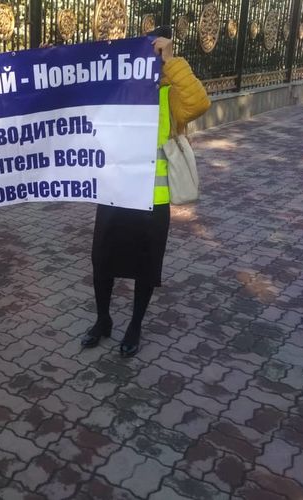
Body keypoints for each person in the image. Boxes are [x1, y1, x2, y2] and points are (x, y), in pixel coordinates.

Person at [80, 27, 211, 357]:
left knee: (145, 267)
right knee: (102, 262)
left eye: (153, 50)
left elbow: (198, 103)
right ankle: (103, 320)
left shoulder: (169, 93)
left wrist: (172, 62)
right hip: (114, 193)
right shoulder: (117, 87)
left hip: (153, 200)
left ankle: (135, 326)